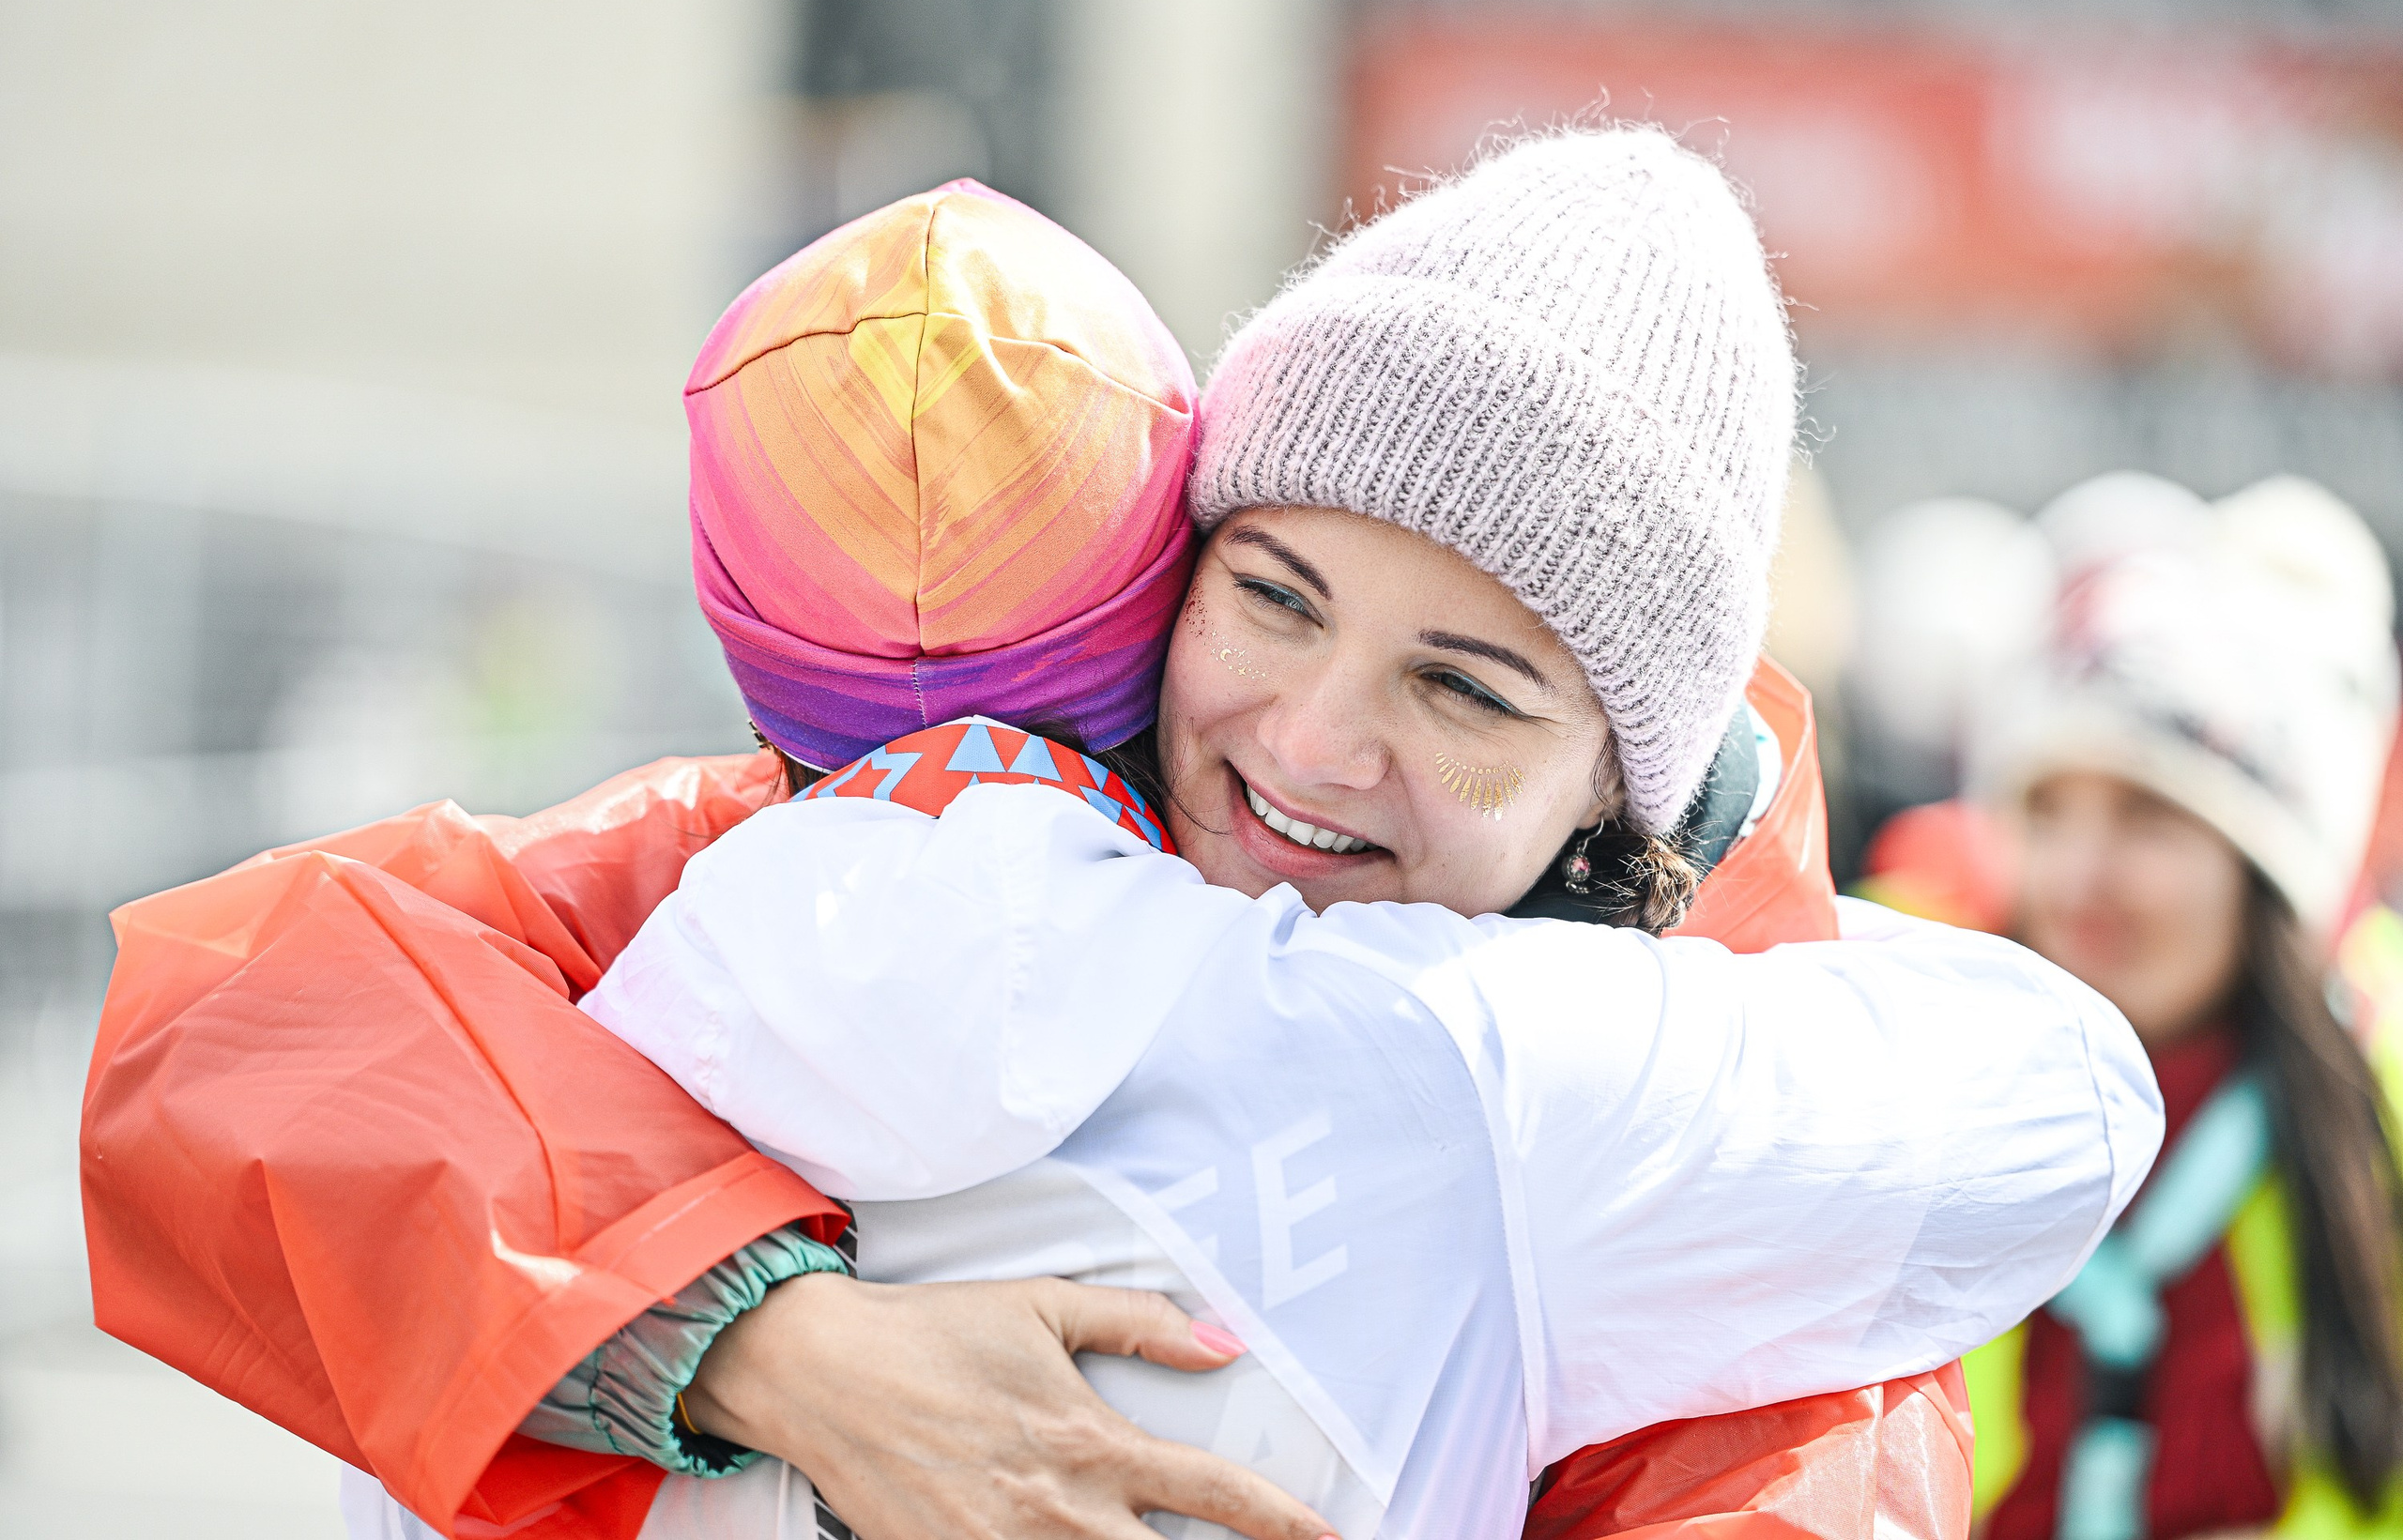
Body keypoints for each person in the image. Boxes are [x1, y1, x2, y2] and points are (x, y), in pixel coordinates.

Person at [86, 141, 2150, 1540]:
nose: (1312, 741)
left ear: (1618, 781)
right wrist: (769, 1347)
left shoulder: (1702, 1160)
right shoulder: (886, 850)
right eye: (1271, 596)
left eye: (1465, 687)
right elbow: (244, 1031)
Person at [1865, 472, 2403, 1540]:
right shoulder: (1897, 1048)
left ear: (2269, 871)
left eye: (2149, 814)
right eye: (2048, 809)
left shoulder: (2375, 1091)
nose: (2078, 875)